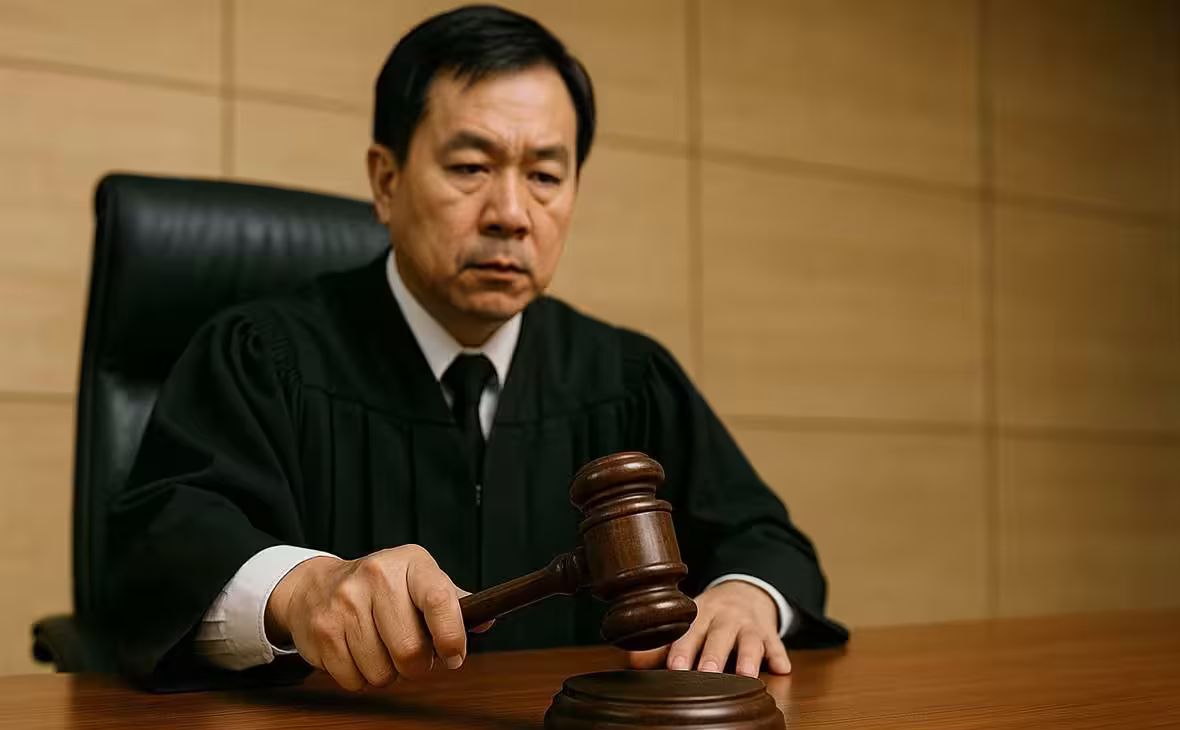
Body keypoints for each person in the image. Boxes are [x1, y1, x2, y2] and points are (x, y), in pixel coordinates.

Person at [104, 4, 847, 691]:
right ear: (386, 181)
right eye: (470, 167)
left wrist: (746, 596)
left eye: (546, 176)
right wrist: (300, 591)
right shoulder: (262, 357)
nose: (512, 214)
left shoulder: (627, 377)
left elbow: (765, 538)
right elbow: (158, 549)